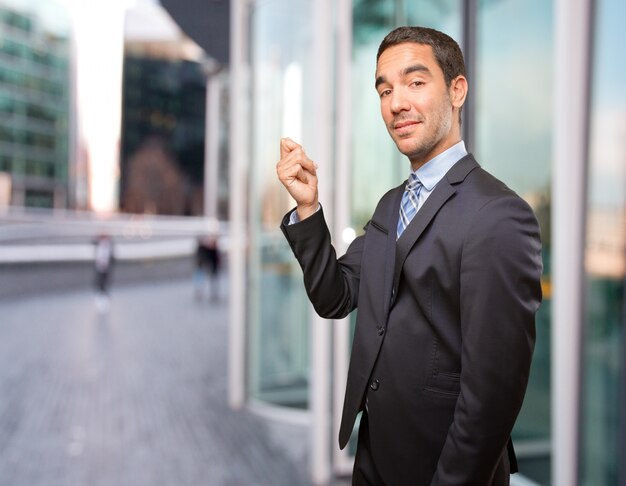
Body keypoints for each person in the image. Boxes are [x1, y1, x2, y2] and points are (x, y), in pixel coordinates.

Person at [276, 26, 543, 485]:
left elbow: (492, 396)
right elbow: (335, 296)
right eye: (385, 89)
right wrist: (308, 208)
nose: (397, 102)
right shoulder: (391, 204)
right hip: (375, 460)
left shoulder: (499, 215)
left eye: (415, 82)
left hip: (445, 470)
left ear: (457, 90)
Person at [93, 233, 114, 312]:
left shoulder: (109, 245)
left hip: (107, 269)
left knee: (105, 283)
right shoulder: (99, 244)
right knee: (100, 284)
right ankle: (101, 299)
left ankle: (105, 299)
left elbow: (111, 257)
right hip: (100, 269)